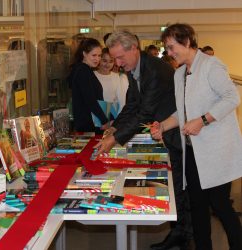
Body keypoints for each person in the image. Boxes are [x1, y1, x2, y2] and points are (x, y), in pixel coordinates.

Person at [94, 30, 192, 250]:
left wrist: (116, 139)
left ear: (134, 49)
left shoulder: (154, 71)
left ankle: (184, 235)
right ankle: (180, 233)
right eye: (114, 58)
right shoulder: (133, 68)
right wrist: (114, 128)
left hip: (176, 131)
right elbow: (132, 104)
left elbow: (145, 113)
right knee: (176, 185)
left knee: (180, 187)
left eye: (120, 57)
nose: (117, 63)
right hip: (164, 130)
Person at [151, 23, 242, 250]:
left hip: (216, 152)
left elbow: (232, 98)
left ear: (188, 41)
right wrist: (163, 126)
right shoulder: (179, 73)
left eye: (172, 48)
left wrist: (202, 121)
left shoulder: (211, 66)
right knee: (198, 207)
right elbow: (181, 114)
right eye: (167, 49)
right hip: (193, 151)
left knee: (221, 206)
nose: (169, 53)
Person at [68, 38, 109, 133]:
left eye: (99, 56)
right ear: (84, 54)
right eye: (94, 55)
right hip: (89, 124)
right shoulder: (83, 71)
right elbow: (90, 100)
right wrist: (104, 120)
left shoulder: (84, 69)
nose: (97, 59)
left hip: (89, 122)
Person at [94, 47, 128, 115]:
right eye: (104, 61)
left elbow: (122, 102)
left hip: (112, 116)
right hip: (94, 115)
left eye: (111, 61)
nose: (107, 64)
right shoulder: (92, 75)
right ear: (99, 60)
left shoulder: (118, 77)